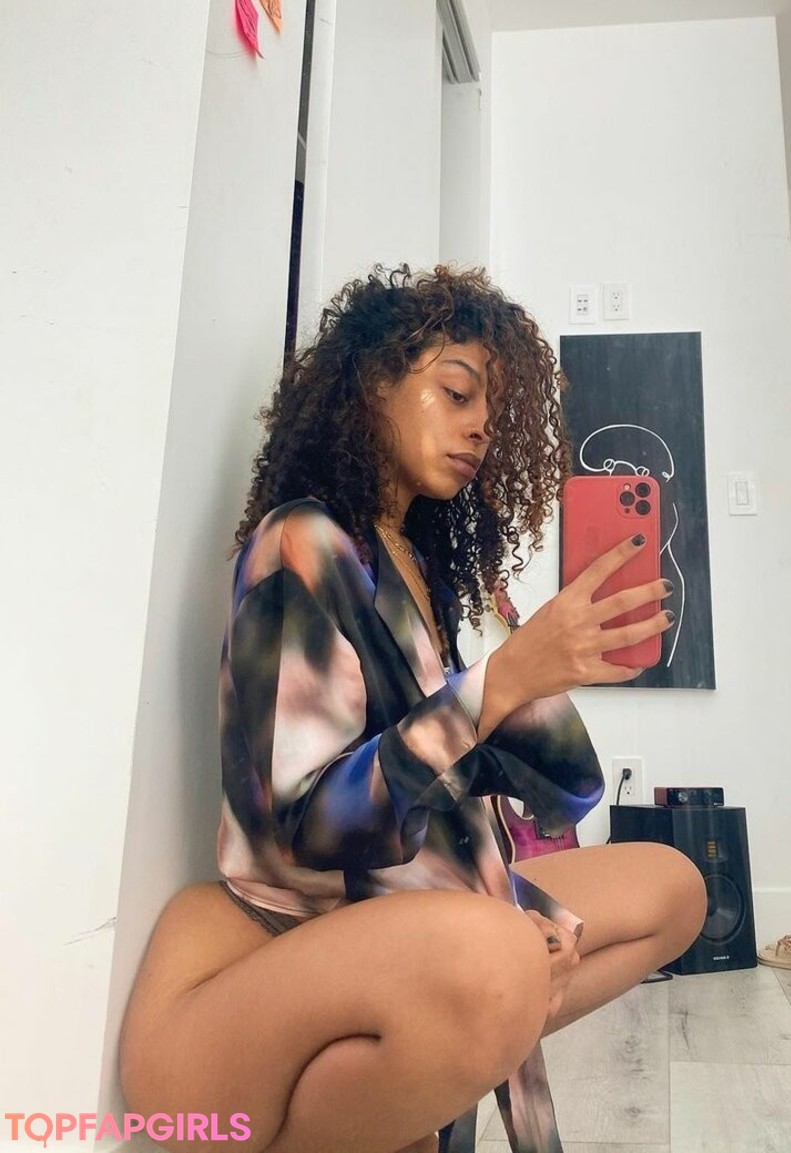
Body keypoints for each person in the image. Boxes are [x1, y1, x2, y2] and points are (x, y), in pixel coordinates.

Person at [119, 265, 707, 1153]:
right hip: (293, 931)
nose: (479, 425)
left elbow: (565, 793)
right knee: (501, 954)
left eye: (491, 411)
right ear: (372, 383)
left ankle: (458, 1034)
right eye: (457, 392)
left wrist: (545, 668)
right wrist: (500, 681)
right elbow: (306, 826)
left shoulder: (415, 568)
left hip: (416, 909)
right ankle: (440, 1048)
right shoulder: (301, 542)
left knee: (675, 888)